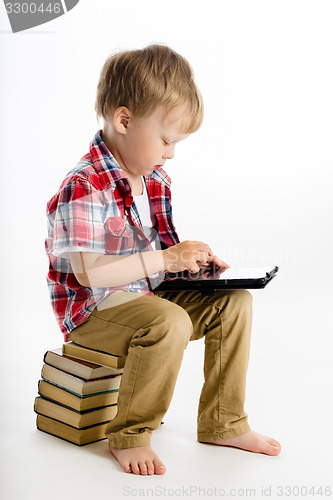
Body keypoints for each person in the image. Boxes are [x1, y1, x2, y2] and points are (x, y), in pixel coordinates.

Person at [45, 44, 281, 475]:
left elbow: (161, 259)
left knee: (235, 303)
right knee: (169, 322)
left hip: (145, 297)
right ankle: (131, 434)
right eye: (167, 140)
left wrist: (194, 263)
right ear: (124, 120)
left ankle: (223, 421)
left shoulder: (154, 180)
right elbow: (90, 273)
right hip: (94, 313)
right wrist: (166, 258)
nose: (171, 152)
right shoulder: (85, 185)